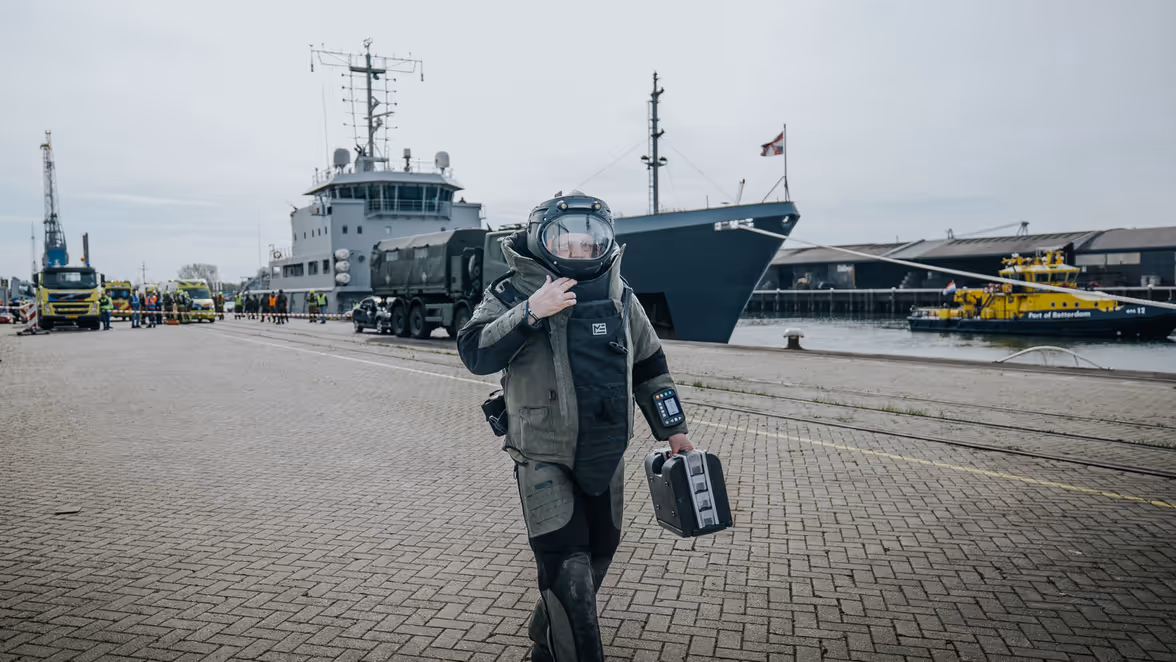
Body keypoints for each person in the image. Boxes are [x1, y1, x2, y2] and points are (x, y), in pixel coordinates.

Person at [457, 192, 693, 662]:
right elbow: (475, 351)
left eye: (589, 243)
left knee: (601, 550)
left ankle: (547, 636)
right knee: (566, 566)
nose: (578, 252)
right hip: (542, 453)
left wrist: (675, 430)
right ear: (541, 241)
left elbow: (651, 368)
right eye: (566, 243)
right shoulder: (510, 293)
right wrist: (530, 312)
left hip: (607, 452)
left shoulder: (622, 297)